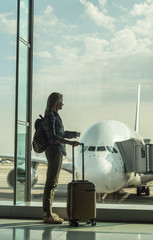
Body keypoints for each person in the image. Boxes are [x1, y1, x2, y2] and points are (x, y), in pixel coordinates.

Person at [43, 92, 80, 224]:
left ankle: (49, 213)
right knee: (51, 183)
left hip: (57, 150)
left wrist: (72, 134)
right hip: (54, 151)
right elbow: (53, 137)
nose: (63, 104)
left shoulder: (54, 115)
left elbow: (59, 133)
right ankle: (47, 215)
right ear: (55, 102)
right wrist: (71, 143)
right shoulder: (50, 115)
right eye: (61, 101)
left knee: (53, 182)